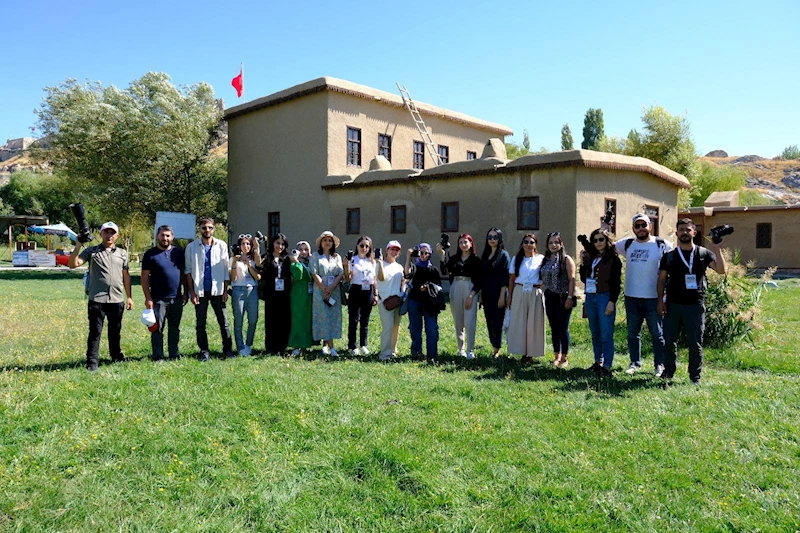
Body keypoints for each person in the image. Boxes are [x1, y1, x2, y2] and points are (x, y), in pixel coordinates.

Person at [657, 218, 726, 384]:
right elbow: (661, 280)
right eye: (681, 230)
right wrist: (660, 301)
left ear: (694, 233)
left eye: (688, 230)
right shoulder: (669, 256)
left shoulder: (703, 254)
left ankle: (695, 376)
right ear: (676, 233)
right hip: (673, 304)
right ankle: (668, 372)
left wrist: (717, 248)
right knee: (669, 341)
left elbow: (721, 270)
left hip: (695, 305)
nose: (685, 232)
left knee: (695, 343)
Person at [613, 213, 673, 377]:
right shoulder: (627, 244)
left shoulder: (662, 245)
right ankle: (635, 363)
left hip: (654, 297)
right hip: (632, 296)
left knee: (657, 333)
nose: (641, 229)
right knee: (633, 333)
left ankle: (659, 365)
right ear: (633, 228)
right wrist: (605, 225)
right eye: (637, 226)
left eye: (643, 225)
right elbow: (606, 244)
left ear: (650, 226)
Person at [69, 221, 134, 371]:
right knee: (95, 332)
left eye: (112, 232)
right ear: (101, 234)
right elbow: (73, 264)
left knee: (115, 331)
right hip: (97, 299)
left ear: (117, 235)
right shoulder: (92, 251)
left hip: (117, 299)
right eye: (106, 232)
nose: (109, 235)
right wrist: (78, 245)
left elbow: (126, 276)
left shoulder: (122, 254)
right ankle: (92, 361)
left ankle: (116, 356)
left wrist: (129, 297)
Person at [185, 217, 234, 361]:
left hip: (218, 290)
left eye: (209, 227)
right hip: (200, 292)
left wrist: (225, 291)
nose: (207, 230)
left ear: (214, 229)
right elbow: (188, 271)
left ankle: (228, 349)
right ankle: (204, 351)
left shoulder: (222, 245)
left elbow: (225, 270)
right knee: (201, 323)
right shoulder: (191, 247)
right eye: (204, 227)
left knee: (224, 322)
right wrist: (192, 293)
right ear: (199, 229)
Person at [579, 228, 622, 376]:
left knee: (606, 333)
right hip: (591, 297)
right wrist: (583, 265)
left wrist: (612, 301)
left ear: (607, 241)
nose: (598, 243)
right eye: (595, 240)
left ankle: (607, 366)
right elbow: (584, 279)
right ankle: (598, 361)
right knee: (595, 332)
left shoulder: (613, 260)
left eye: (601, 239)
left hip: (605, 297)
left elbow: (617, 283)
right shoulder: (591, 257)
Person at [141, 225, 187, 361]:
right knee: (157, 329)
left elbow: (184, 274)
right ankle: (158, 355)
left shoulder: (178, 253)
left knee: (174, 328)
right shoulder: (150, 254)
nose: (165, 238)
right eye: (162, 235)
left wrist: (185, 292)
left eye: (168, 236)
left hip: (176, 297)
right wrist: (148, 297)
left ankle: (173, 354)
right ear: (157, 236)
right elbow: (144, 277)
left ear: (172, 237)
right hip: (158, 298)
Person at [438, 234, 483, 358]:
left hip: (470, 288)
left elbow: (480, 280)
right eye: (461, 242)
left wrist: (471, 295)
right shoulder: (454, 258)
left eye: (465, 242)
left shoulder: (476, 260)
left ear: (470, 243)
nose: (463, 245)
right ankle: (461, 349)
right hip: (456, 286)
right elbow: (445, 271)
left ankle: (470, 350)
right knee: (458, 320)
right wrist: (442, 254)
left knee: (469, 322)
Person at [506, 233, 545, 363]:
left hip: (534, 292)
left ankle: (532, 353)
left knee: (534, 323)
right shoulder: (516, 259)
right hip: (519, 290)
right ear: (522, 244)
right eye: (526, 242)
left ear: (535, 245)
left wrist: (541, 285)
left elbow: (546, 275)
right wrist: (510, 296)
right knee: (519, 322)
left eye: (532, 242)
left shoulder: (541, 259)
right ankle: (521, 351)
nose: (529, 245)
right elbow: (511, 279)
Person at [541, 232, 577, 368]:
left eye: (556, 242)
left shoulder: (566, 259)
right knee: (554, 327)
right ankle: (556, 356)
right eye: (550, 243)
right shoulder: (546, 260)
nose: (553, 245)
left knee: (563, 328)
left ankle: (564, 357)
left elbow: (572, 279)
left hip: (563, 297)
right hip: (550, 297)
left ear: (561, 244)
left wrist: (570, 297)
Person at [405, 243, 443, 363]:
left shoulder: (433, 270)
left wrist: (428, 287)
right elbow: (406, 273)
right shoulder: (414, 267)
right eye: (421, 252)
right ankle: (416, 353)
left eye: (426, 253)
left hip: (430, 303)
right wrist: (408, 257)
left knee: (431, 329)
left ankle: (432, 355)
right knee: (415, 328)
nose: (423, 255)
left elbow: (438, 288)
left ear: (430, 254)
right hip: (414, 300)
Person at [310, 231, 344, 357]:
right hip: (320, 291)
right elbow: (314, 273)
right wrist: (324, 288)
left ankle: (327, 345)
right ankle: (331, 347)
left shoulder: (337, 257)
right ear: (321, 243)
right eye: (325, 240)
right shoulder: (315, 256)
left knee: (332, 317)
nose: (327, 243)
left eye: (330, 240)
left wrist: (331, 288)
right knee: (323, 317)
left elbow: (340, 273)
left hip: (333, 291)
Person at [343, 236, 378, 356]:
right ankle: (352, 345)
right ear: (357, 246)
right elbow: (348, 278)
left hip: (368, 291)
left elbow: (374, 279)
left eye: (367, 246)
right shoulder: (353, 259)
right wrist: (346, 266)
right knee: (354, 319)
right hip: (356, 290)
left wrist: (376, 294)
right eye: (362, 245)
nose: (364, 248)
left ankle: (364, 344)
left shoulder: (371, 261)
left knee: (365, 320)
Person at [260, 233, 293, 354]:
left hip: (284, 294)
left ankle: (282, 347)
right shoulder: (267, 257)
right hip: (271, 294)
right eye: (277, 243)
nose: (280, 246)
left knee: (284, 321)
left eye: (282, 244)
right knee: (271, 321)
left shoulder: (287, 259)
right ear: (273, 243)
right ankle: (270, 347)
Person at [480, 228, 510, 358]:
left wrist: (502, 296)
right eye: (490, 237)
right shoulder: (485, 255)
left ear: (500, 239)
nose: (492, 240)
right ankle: (494, 347)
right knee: (489, 321)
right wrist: (481, 295)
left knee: (497, 322)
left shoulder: (503, 255)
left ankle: (497, 350)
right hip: (486, 293)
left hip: (499, 293)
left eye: (495, 237)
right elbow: (482, 276)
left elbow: (505, 277)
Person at [229, 234, 261, 356]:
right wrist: (234, 262)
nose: (245, 246)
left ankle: (248, 344)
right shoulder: (234, 259)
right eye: (243, 243)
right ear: (239, 245)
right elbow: (233, 278)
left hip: (252, 289)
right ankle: (240, 346)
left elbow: (258, 276)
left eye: (248, 244)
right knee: (239, 320)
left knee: (253, 319)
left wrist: (248, 264)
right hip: (238, 290)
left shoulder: (253, 258)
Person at [376, 240, 406, 361]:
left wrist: (402, 292)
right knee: (387, 327)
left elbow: (403, 280)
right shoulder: (379, 264)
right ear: (386, 250)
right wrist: (379, 263)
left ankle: (393, 350)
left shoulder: (399, 267)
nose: (394, 252)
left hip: (396, 301)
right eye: (392, 249)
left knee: (395, 327)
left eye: (397, 250)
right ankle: (384, 354)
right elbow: (381, 278)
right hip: (384, 301)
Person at [288, 241, 314, 356]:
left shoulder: (311, 263)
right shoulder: (293, 263)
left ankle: (306, 344)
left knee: (307, 319)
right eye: (301, 249)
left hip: (310, 294)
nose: (304, 252)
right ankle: (296, 345)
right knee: (298, 319)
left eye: (306, 249)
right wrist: (296, 261)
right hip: (298, 294)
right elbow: (297, 276)